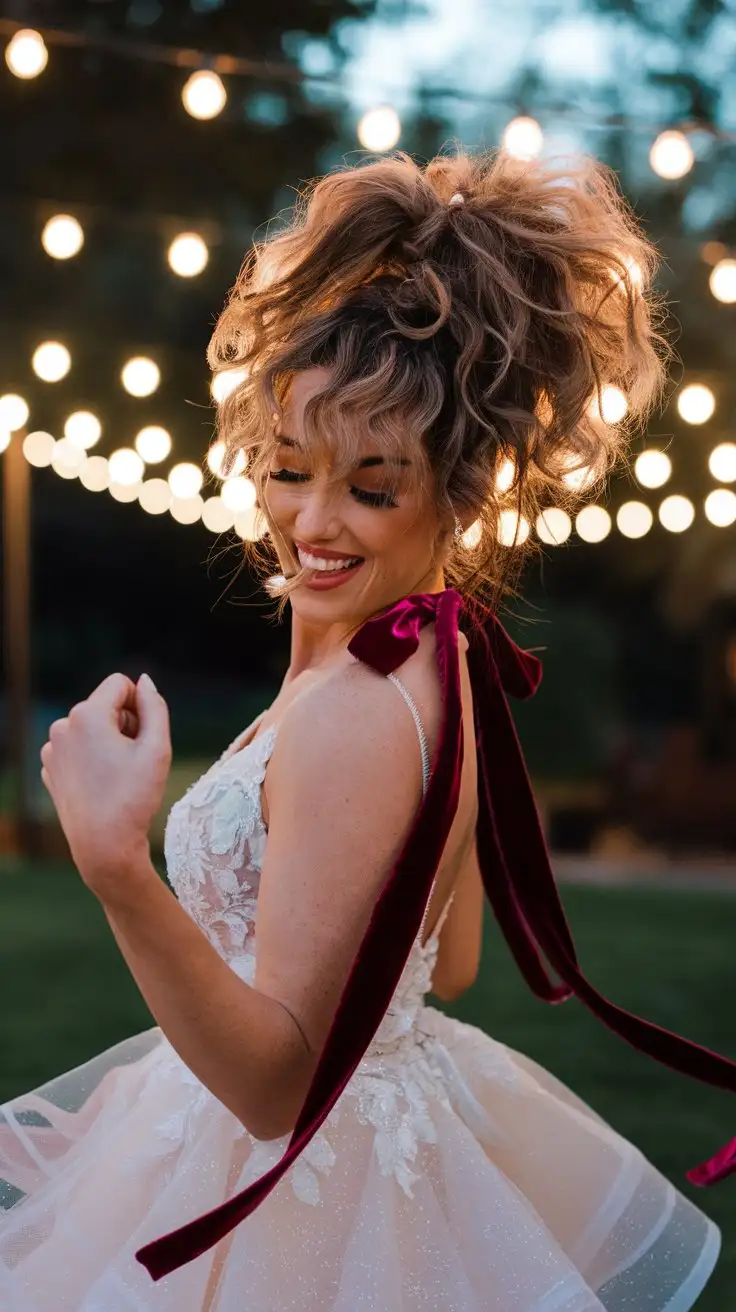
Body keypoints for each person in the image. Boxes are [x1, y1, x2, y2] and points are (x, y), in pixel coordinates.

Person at [0, 149, 729, 1309]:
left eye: (371, 488)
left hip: (300, 1205)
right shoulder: (438, 663)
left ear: (459, 490)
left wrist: (113, 860)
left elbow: (280, 1091)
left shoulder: (356, 709)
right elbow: (451, 960)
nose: (311, 522)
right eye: (290, 469)